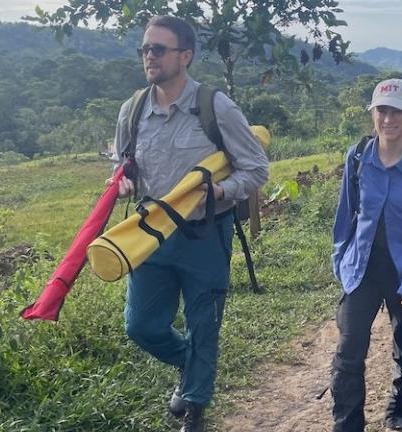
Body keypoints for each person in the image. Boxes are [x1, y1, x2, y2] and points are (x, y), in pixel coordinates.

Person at [108, 16, 269, 432]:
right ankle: (190, 363)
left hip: (204, 236)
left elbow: (255, 169)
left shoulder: (215, 107)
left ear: (185, 56)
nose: (149, 56)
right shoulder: (132, 111)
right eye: (145, 48)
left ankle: (194, 408)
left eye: (159, 49)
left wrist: (219, 192)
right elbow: (122, 165)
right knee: (141, 325)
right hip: (150, 239)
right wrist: (122, 182)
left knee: (204, 325)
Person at [330, 78, 402, 432]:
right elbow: (345, 214)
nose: (389, 119)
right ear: (373, 113)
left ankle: (400, 405)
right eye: (382, 110)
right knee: (349, 350)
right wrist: (341, 260)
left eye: (397, 111)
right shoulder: (357, 157)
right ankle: (347, 423)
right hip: (362, 267)